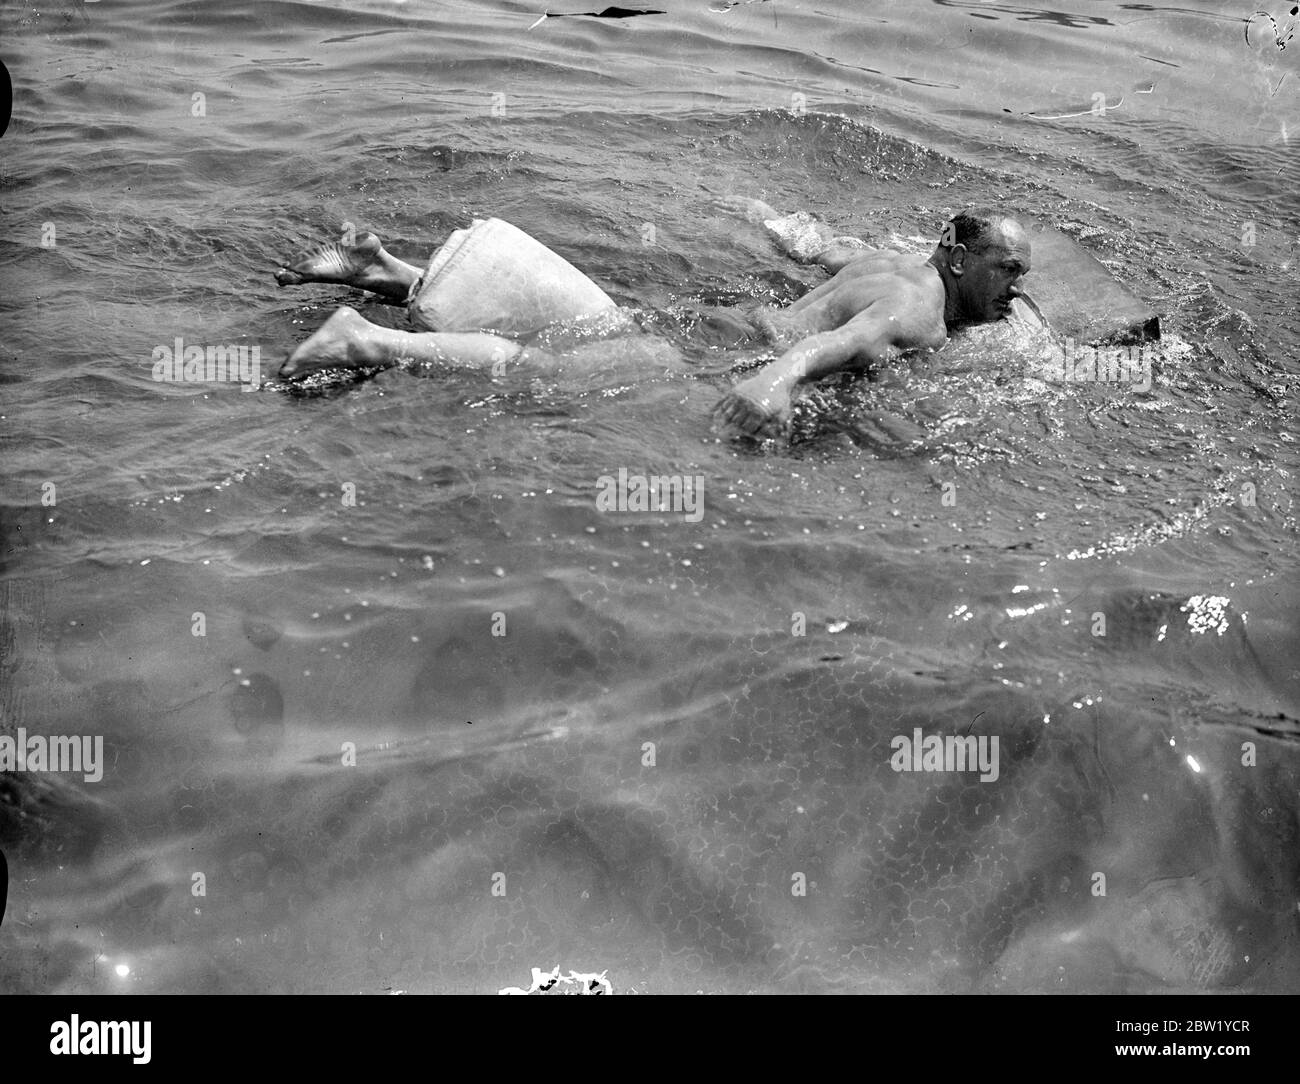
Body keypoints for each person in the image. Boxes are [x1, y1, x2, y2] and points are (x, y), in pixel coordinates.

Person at [273, 202, 1034, 438]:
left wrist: (772, 221)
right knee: (540, 371)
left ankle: (389, 272)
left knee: (574, 326)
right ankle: (366, 339)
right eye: (1007, 271)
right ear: (962, 262)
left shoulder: (896, 262)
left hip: (713, 324)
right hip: (709, 364)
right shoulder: (920, 309)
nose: (1017, 289)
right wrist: (776, 381)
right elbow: (843, 343)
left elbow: (818, 245)